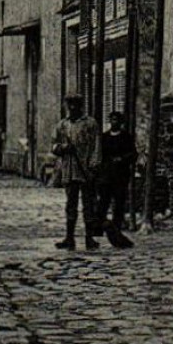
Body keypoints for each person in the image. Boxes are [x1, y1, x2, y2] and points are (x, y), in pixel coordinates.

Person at [52, 96, 101, 250]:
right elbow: (54, 146)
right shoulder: (62, 125)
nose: (72, 108)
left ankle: (89, 238)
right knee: (70, 205)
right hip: (69, 170)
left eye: (76, 105)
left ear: (81, 106)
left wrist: (93, 165)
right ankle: (69, 238)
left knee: (88, 205)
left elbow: (96, 146)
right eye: (70, 105)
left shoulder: (90, 124)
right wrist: (63, 148)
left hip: (86, 170)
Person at [95, 112, 137, 249]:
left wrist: (122, 159)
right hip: (106, 176)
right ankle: (104, 226)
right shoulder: (104, 137)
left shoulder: (126, 137)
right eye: (112, 120)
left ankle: (117, 230)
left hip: (120, 175)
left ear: (121, 122)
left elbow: (133, 154)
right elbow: (99, 155)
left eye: (117, 120)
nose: (114, 122)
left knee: (119, 204)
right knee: (103, 203)